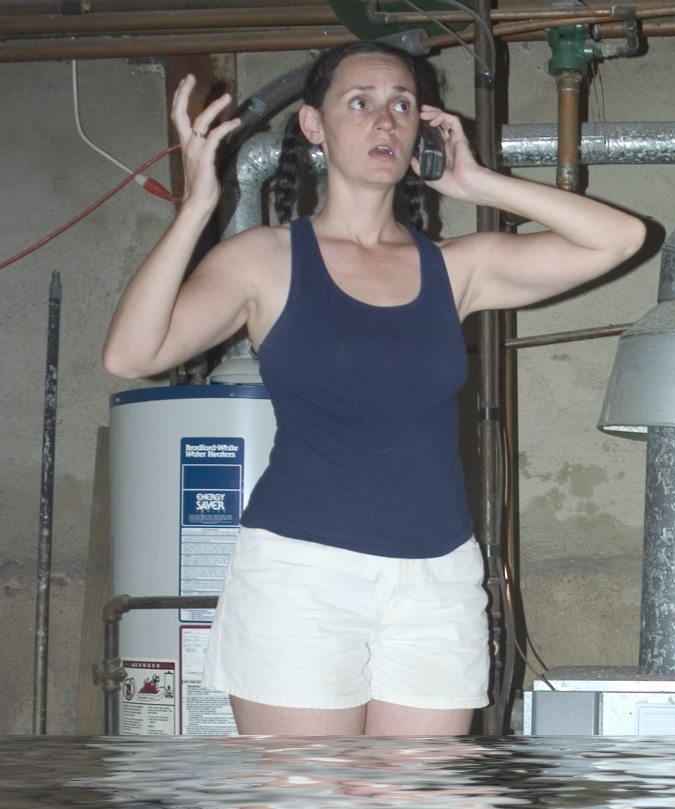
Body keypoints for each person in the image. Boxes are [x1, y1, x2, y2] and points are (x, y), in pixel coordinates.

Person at [103, 41, 646, 739]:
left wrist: (480, 184)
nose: (383, 122)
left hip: (436, 577)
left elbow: (620, 237)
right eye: (358, 103)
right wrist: (198, 204)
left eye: (400, 106)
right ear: (313, 127)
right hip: (302, 575)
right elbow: (131, 353)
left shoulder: (456, 268)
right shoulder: (264, 259)